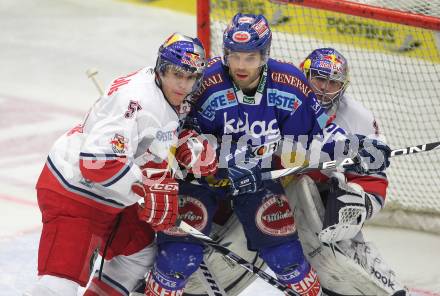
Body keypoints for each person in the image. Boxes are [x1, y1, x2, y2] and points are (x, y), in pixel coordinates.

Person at [143, 14, 391, 296]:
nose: (240, 65)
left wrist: (357, 147)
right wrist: (201, 152)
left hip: (257, 181)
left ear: (264, 55)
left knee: (288, 259)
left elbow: (320, 131)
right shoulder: (205, 80)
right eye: (234, 56)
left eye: (249, 57)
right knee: (176, 259)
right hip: (200, 183)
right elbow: (174, 126)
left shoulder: (290, 82)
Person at [24, 32, 207, 296]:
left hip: (112, 198)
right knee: (59, 285)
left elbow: (149, 136)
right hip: (75, 194)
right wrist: (147, 189)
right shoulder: (136, 100)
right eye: (177, 75)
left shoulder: (162, 92)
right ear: (161, 68)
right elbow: (97, 161)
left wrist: (183, 145)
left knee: (138, 252)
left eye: (190, 78)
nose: (183, 85)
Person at [284, 47, 408, 295]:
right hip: (265, 189)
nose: (323, 88)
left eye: (332, 83)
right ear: (303, 74)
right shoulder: (280, 99)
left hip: (312, 197)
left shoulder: (358, 118)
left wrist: (356, 205)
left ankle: (355, 259)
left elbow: (373, 179)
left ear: (343, 86)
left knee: (328, 192)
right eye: (319, 78)